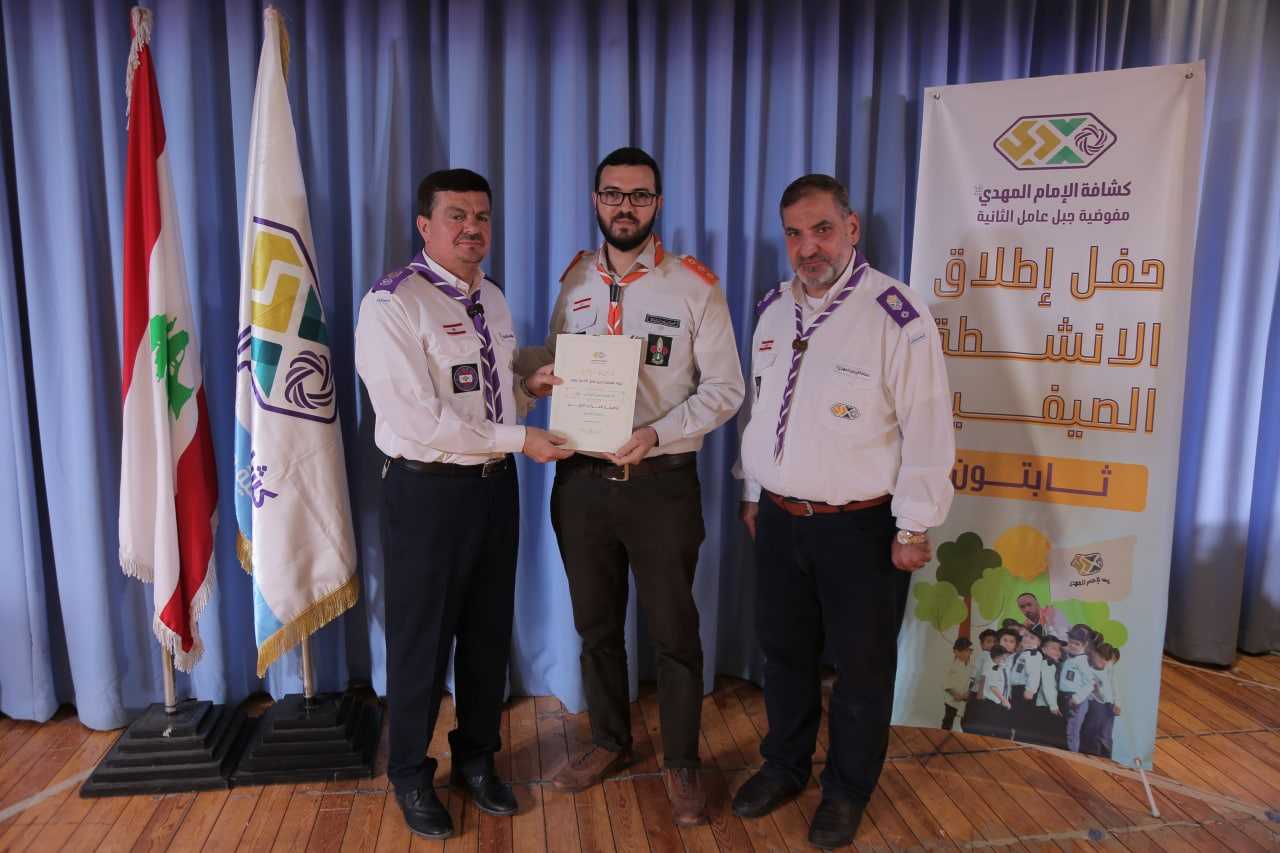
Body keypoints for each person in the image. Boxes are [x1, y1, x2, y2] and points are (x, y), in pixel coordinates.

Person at [517, 147, 744, 827]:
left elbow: (726, 389)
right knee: (595, 625)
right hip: (582, 482)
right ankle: (610, 740)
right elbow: (556, 359)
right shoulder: (575, 281)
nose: (626, 207)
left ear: (658, 204)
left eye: (639, 195)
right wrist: (532, 376)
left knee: (675, 630)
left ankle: (682, 760)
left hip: (660, 483)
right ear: (596, 200)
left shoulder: (694, 286)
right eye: (613, 194)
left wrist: (657, 433)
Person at [731, 174, 954, 849]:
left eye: (822, 230)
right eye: (795, 234)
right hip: (779, 518)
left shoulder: (896, 313)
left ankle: (848, 789)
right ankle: (785, 765)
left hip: (860, 526)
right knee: (784, 653)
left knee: (861, 668)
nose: (809, 248)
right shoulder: (774, 309)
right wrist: (752, 491)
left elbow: (928, 425)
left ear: (851, 229)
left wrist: (913, 523)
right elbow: (761, 407)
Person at [354, 169, 571, 840]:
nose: (472, 228)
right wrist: (521, 438)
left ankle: (476, 759)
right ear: (425, 225)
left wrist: (528, 388)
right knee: (421, 642)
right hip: (427, 492)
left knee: (486, 634)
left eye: (482, 216)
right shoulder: (392, 304)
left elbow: (491, 396)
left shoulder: (492, 298)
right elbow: (417, 419)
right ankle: (410, 774)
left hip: (494, 487)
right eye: (457, 216)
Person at [1058, 625, 1100, 753]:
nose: (1072, 645)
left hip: (1076, 700)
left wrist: (1077, 698)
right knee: (1065, 728)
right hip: (1065, 697)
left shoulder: (1082, 661)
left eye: (1077, 644)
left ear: (1085, 645)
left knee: (1072, 729)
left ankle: (1073, 753)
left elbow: (1090, 683)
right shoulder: (1069, 657)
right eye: (1071, 642)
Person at [942, 638, 972, 731]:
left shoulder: (971, 667)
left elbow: (972, 682)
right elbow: (946, 683)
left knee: (964, 721)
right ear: (956, 652)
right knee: (948, 719)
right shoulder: (951, 666)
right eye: (963, 651)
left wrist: (968, 693)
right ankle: (944, 734)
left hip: (965, 699)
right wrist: (955, 694)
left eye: (968, 651)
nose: (966, 653)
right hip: (952, 699)